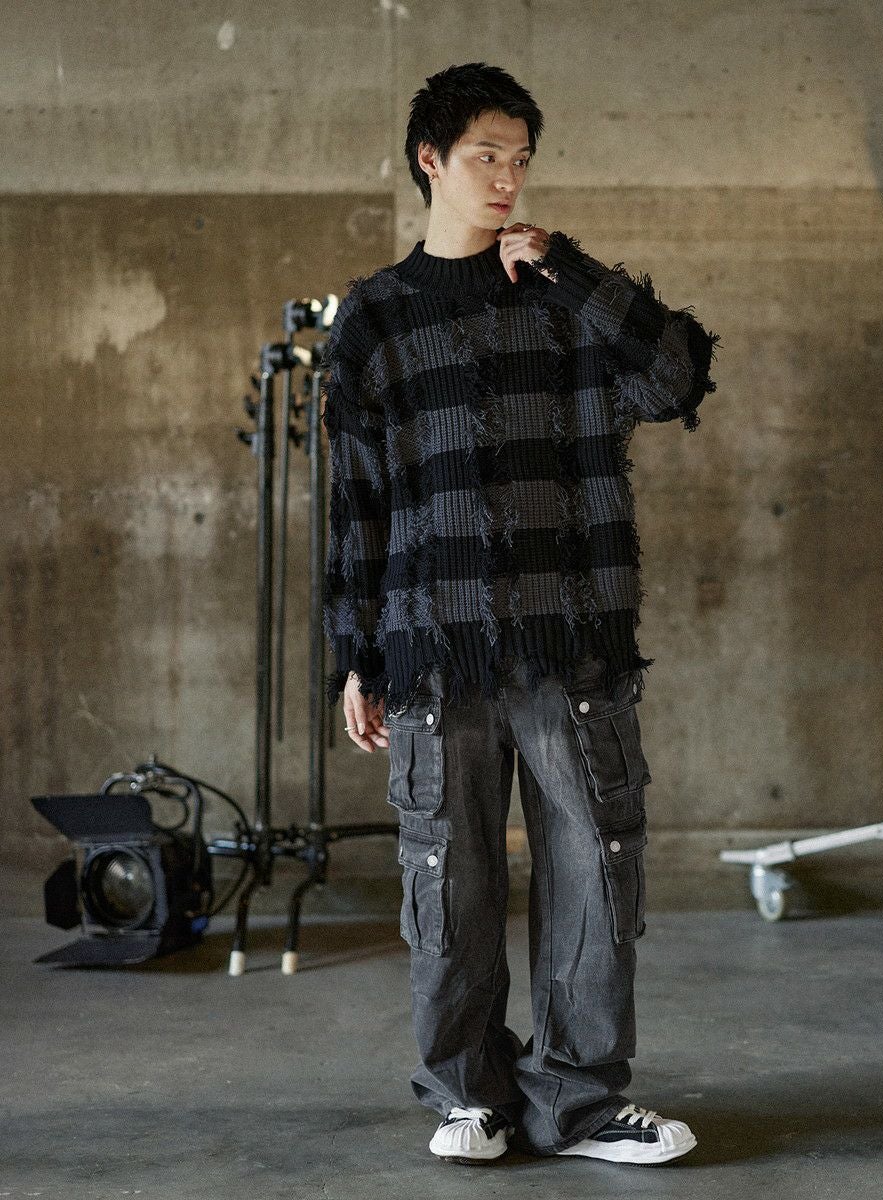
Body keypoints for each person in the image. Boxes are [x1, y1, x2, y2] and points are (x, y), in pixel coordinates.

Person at [320, 61, 719, 1166]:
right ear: (431, 160)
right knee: (446, 877)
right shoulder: (375, 318)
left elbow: (676, 379)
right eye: (486, 155)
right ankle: (473, 1097)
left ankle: (579, 1102)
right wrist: (354, 655)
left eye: (521, 158)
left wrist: (571, 269)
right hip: (431, 647)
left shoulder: (559, 299)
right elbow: (356, 503)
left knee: (594, 869)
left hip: (569, 641)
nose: (507, 177)